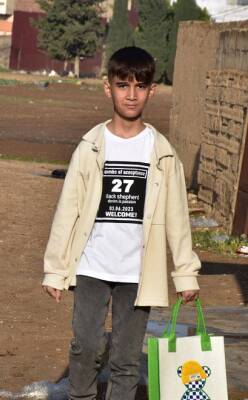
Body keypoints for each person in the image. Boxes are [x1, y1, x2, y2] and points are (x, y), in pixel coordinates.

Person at [42, 47, 201, 399]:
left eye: (140, 86)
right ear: (108, 87)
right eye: (123, 85)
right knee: (86, 347)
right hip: (92, 267)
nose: (131, 95)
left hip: (138, 273)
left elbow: (177, 218)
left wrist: (185, 273)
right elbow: (67, 211)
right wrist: (55, 269)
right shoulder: (90, 147)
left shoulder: (161, 152)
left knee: (126, 360)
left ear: (152, 91)